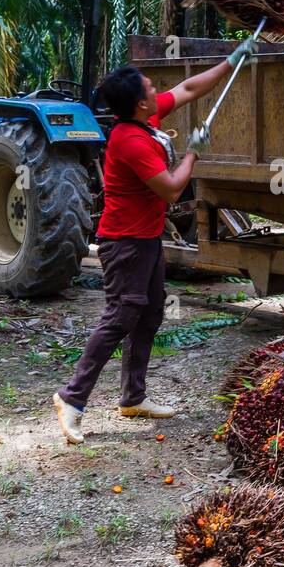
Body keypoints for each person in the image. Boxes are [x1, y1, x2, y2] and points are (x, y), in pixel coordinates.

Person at [52, 38, 254, 444]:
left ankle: (133, 397)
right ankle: (71, 399)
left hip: (145, 240)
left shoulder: (146, 119)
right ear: (140, 104)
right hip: (123, 243)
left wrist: (230, 62)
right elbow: (172, 191)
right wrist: (194, 154)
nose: (156, 91)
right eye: (149, 88)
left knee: (151, 312)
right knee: (120, 317)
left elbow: (189, 89)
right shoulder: (131, 141)